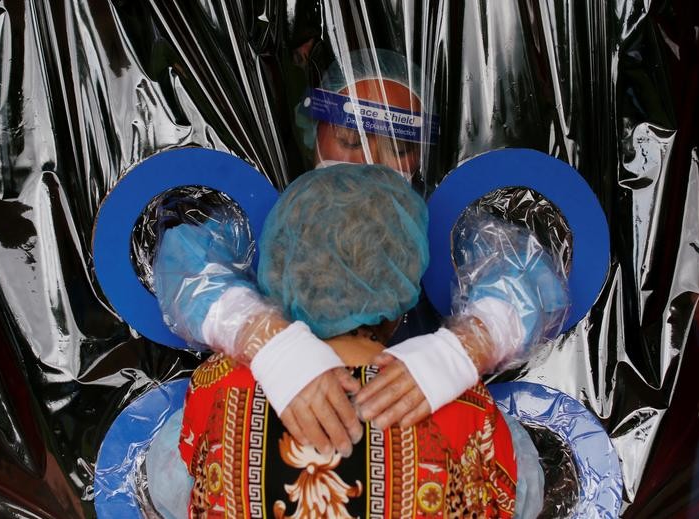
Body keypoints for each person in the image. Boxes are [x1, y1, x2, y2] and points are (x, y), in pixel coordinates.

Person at [153, 49, 571, 460]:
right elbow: (186, 266)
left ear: (424, 154)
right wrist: (265, 341)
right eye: (352, 138)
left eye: (400, 147)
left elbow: (529, 278)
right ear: (311, 129)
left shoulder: (437, 232)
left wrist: (463, 349)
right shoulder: (279, 221)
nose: (370, 160)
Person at [146, 164, 544, 518]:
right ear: (402, 290)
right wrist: (471, 344)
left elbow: (170, 491)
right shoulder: (466, 405)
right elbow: (523, 498)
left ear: (279, 270)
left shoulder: (216, 387)